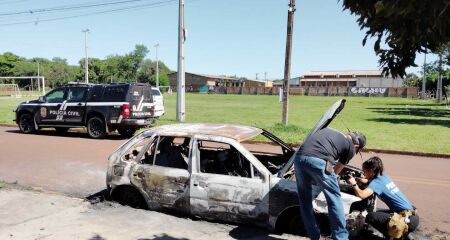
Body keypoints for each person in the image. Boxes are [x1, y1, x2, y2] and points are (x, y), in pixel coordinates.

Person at [294, 128, 366, 240]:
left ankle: (313, 235)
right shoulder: (351, 148)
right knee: (334, 200)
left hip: (299, 159)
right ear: (356, 146)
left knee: (305, 201)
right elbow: (336, 170)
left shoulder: (331, 131)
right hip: (318, 161)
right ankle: (341, 237)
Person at [346, 156, 419, 239]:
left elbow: (361, 195)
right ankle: (404, 233)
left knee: (371, 217)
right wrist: (358, 179)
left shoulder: (376, 183)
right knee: (377, 213)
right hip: (412, 215)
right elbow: (369, 181)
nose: (363, 173)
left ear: (371, 171)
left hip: (406, 220)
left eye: (364, 171)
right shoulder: (384, 178)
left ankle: (394, 236)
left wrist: (354, 184)